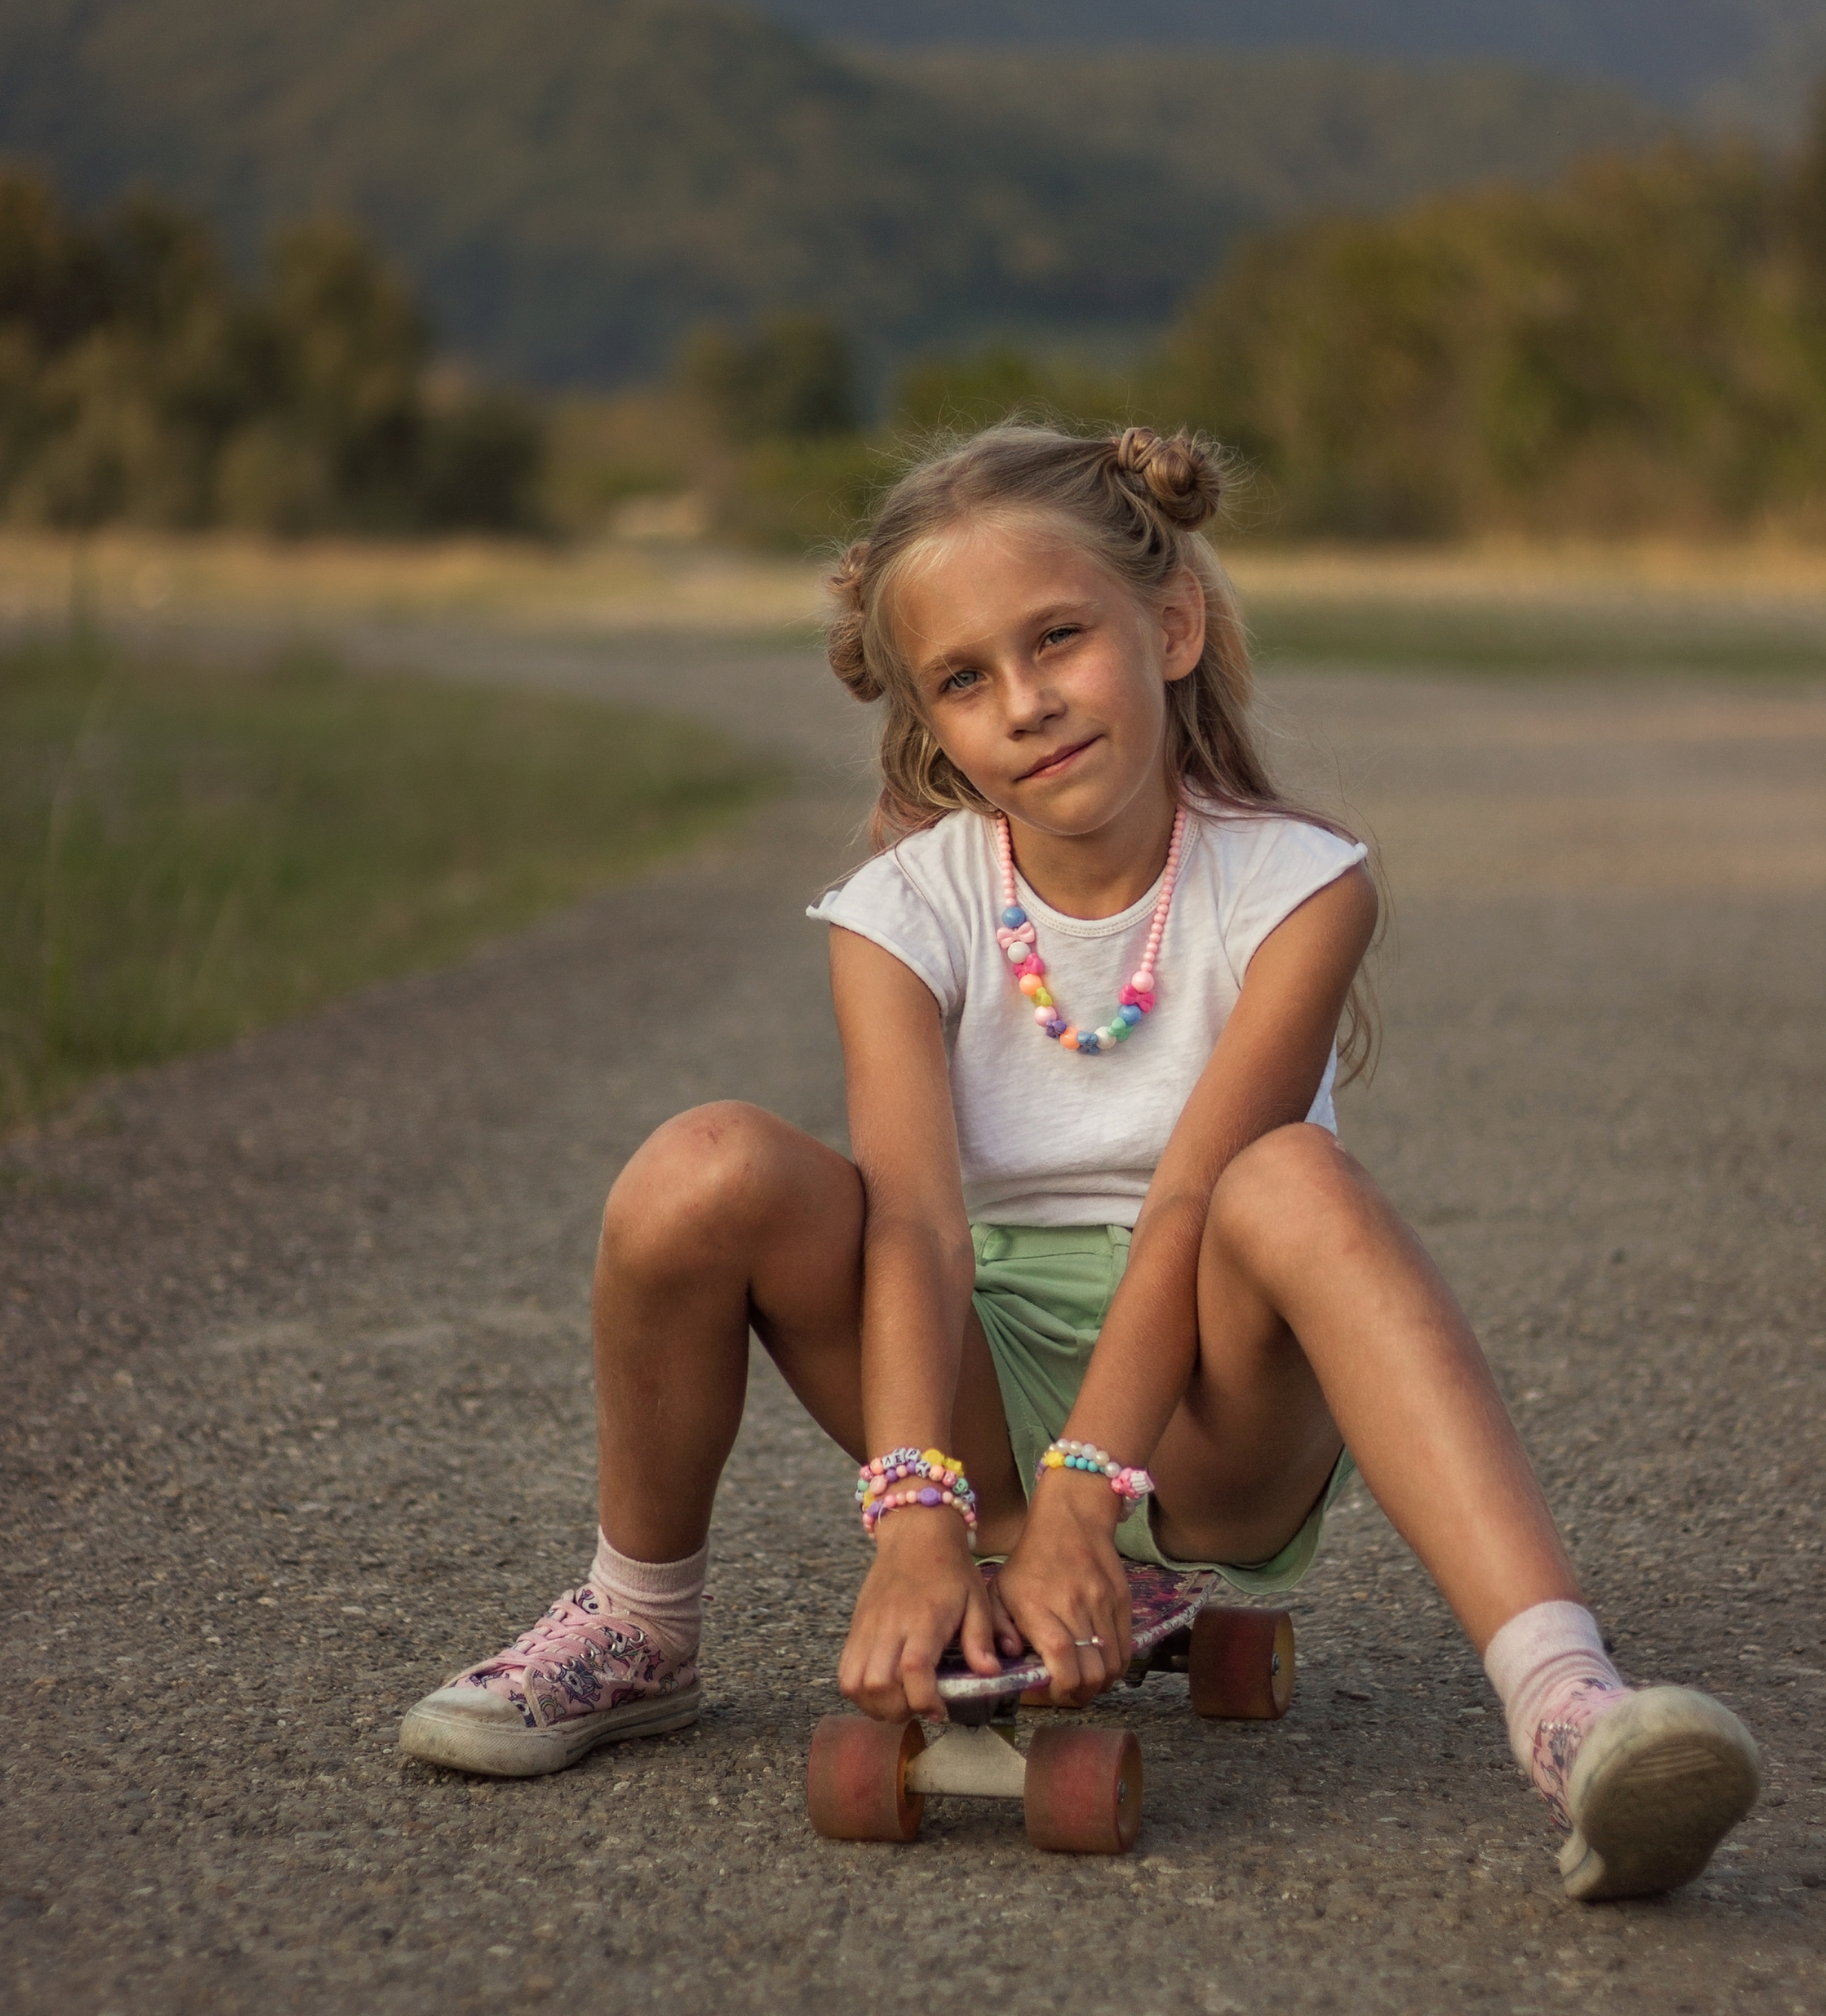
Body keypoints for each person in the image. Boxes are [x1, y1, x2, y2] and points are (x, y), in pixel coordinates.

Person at [400, 422, 1761, 1902]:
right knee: (701, 1167)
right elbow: (909, 1227)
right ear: (926, 716)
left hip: (1205, 1414)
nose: (1026, 704)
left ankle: (1566, 1705)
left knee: (1286, 1180)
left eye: (1057, 640)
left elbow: (1187, 1203)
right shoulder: (899, 911)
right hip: (975, 1386)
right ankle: (636, 1623)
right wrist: (921, 1522)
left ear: (1167, 627)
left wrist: (1077, 1504)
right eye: (964, 679)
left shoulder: (1297, 886)